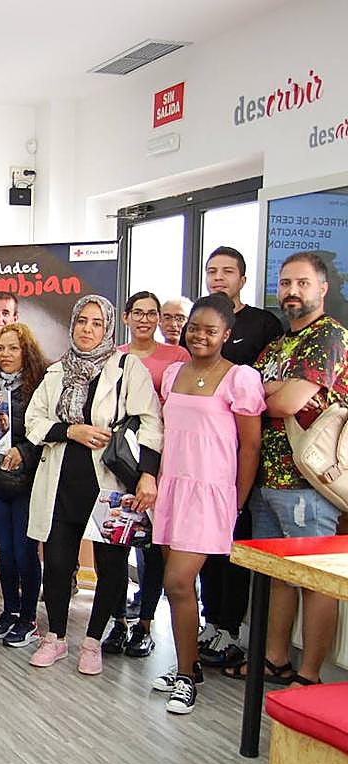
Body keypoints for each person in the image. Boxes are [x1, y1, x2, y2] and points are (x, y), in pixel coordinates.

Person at [24, 295, 163, 674]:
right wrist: (71, 430)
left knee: (111, 564)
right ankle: (55, 637)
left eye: (97, 323)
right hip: (61, 479)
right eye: (82, 321)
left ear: (108, 328)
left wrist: (149, 473)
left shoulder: (126, 367)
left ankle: (92, 641)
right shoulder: (57, 371)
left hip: (110, 480)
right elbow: (33, 422)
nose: (87, 329)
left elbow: (150, 422)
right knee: (55, 562)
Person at [150, 295, 265, 713]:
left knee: (178, 582)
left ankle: (185, 679)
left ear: (226, 335)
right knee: (178, 585)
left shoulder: (240, 379)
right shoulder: (174, 373)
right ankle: (189, 665)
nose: (199, 335)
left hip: (212, 492)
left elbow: (250, 446)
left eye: (210, 330)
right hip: (172, 489)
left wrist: (236, 501)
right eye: (194, 327)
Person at [239, 252, 348, 686]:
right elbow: (244, 396)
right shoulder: (280, 343)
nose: (292, 292)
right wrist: (271, 391)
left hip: (308, 481)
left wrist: (267, 392)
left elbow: (282, 402)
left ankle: (309, 675)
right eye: (285, 283)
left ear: (322, 288)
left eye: (302, 283)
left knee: (315, 581)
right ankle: (275, 660)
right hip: (268, 478)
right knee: (278, 579)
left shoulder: (330, 337)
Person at [194, 246, 285, 668]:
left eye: (227, 271)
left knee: (234, 548)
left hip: (239, 460)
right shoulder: (198, 325)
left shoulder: (262, 324)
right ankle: (210, 622)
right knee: (205, 550)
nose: (218, 277)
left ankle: (232, 628)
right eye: (212, 271)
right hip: (198, 462)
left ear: (242, 279)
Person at [104, 291, 190, 657]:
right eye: (137, 312)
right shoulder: (113, 358)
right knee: (115, 544)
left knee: (153, 548)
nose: (144, 319)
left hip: (160, 463)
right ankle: (118, 622)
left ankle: (145, 624)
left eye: (151, 313)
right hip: (117, 462)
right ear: (125, 317)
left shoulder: (178, 356)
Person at [0, 323, 47, 648]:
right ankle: (10, 610)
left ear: (26, 352)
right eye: (0, 348)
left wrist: (24, 452)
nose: (5, 354)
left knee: (24, 551)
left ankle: (28, 617)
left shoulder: (40, 386)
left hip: (27, 483)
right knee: (4, 553)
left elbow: (45, 433)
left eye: (13, 348)